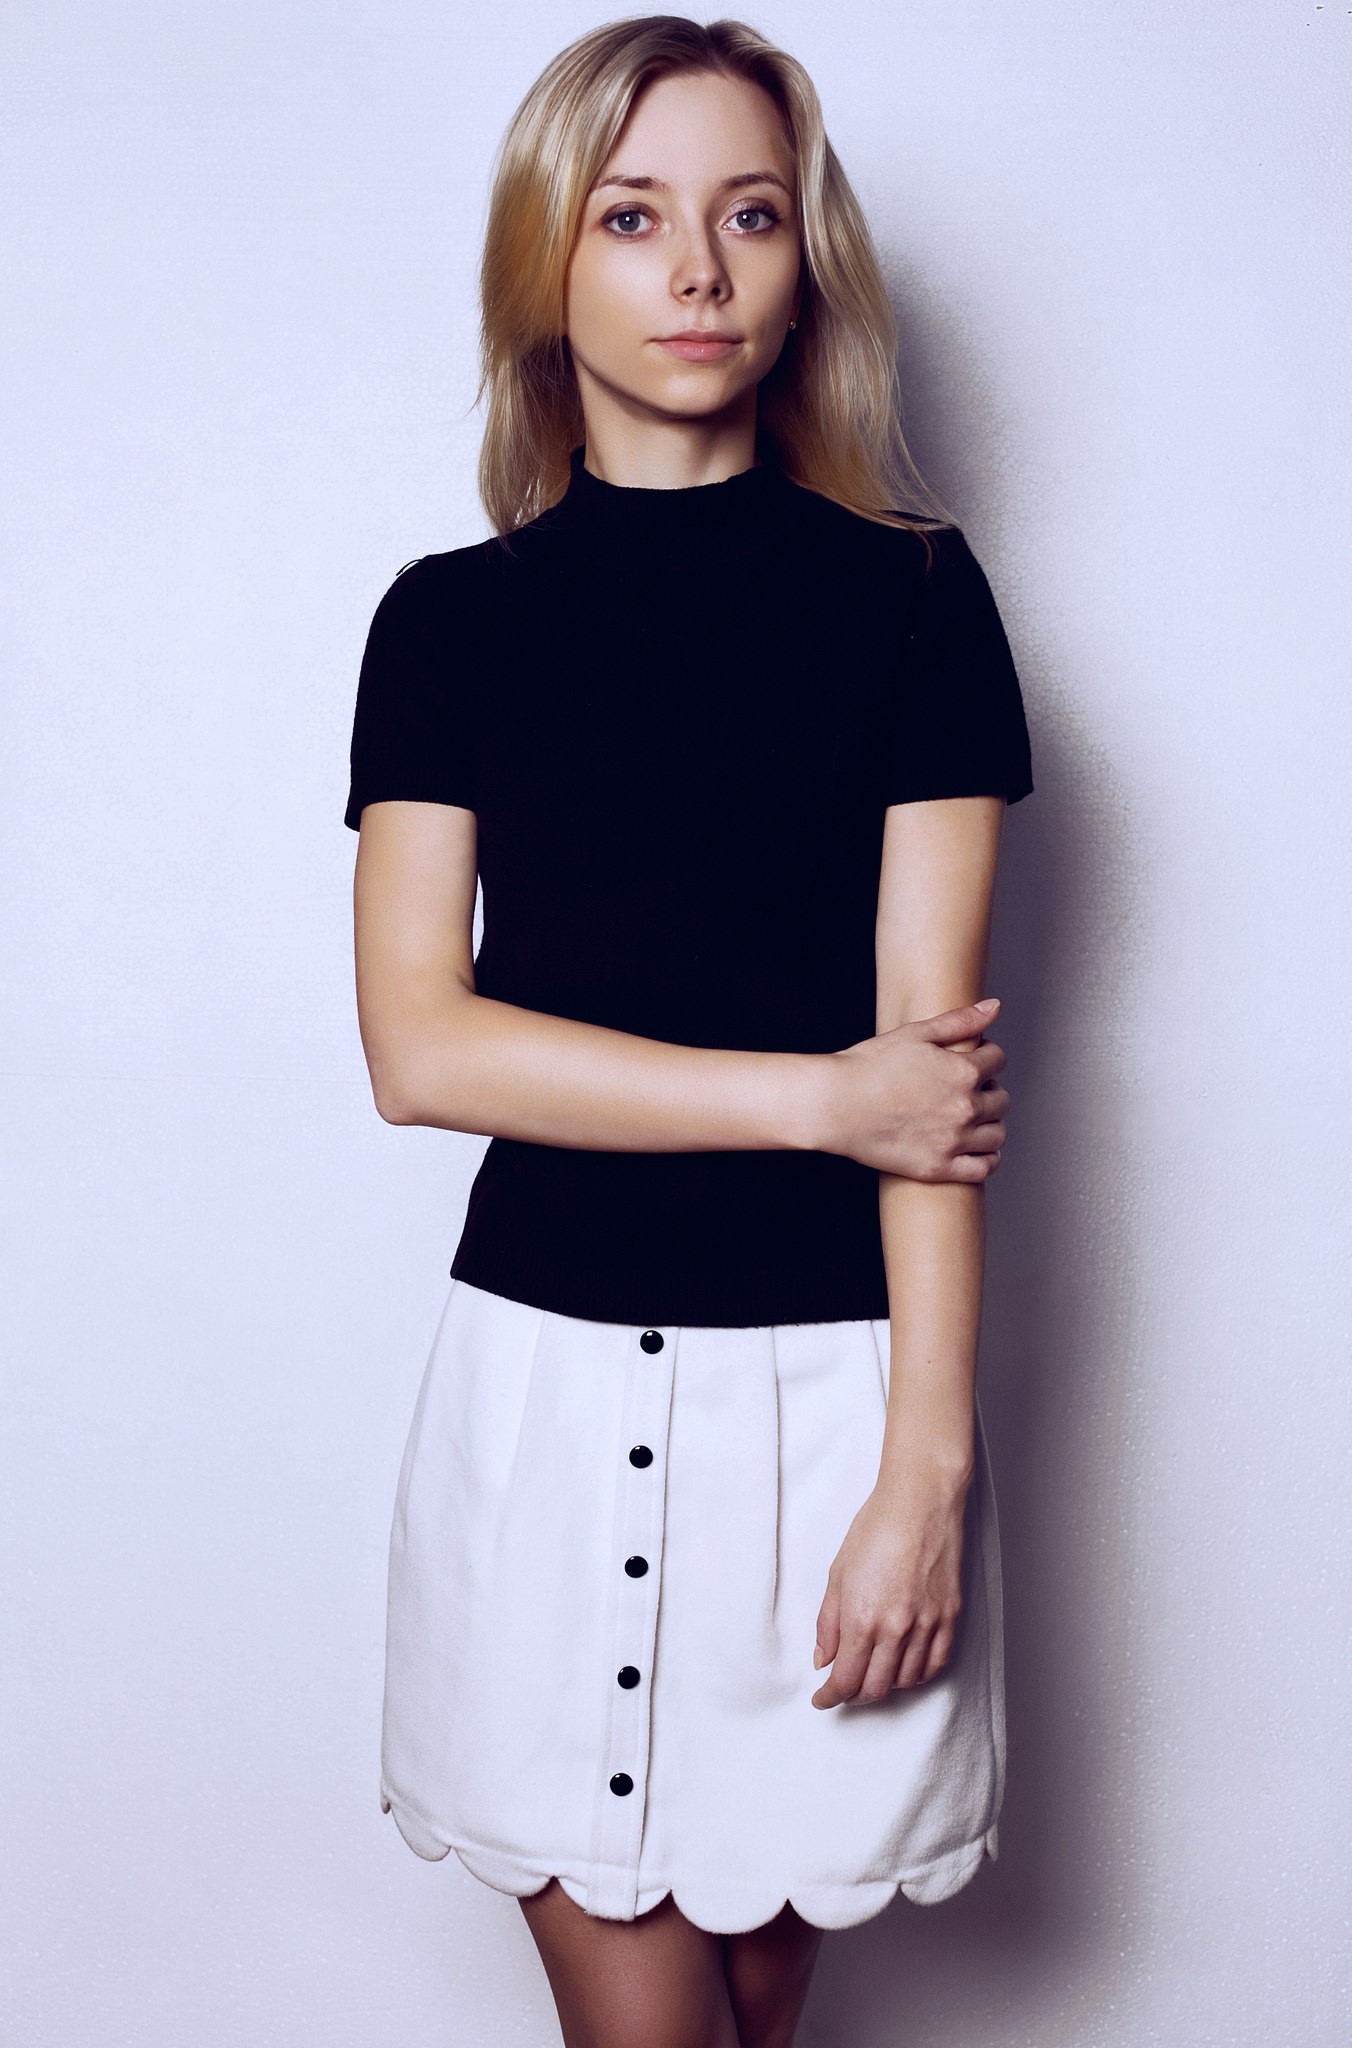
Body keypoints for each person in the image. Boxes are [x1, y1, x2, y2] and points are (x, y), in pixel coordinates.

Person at [344, 16, 1034, 2047]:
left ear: (808, 262)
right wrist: (822, 1098)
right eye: (634, 217)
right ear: (548, 260)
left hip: (834, 1406)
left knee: (747, 2004)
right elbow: (422, 1048)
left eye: (751, 215)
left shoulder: (917, 601)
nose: (702, 270)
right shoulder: (448, 623)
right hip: (544, 1403)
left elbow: (937, 1087)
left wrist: (927, 1466)